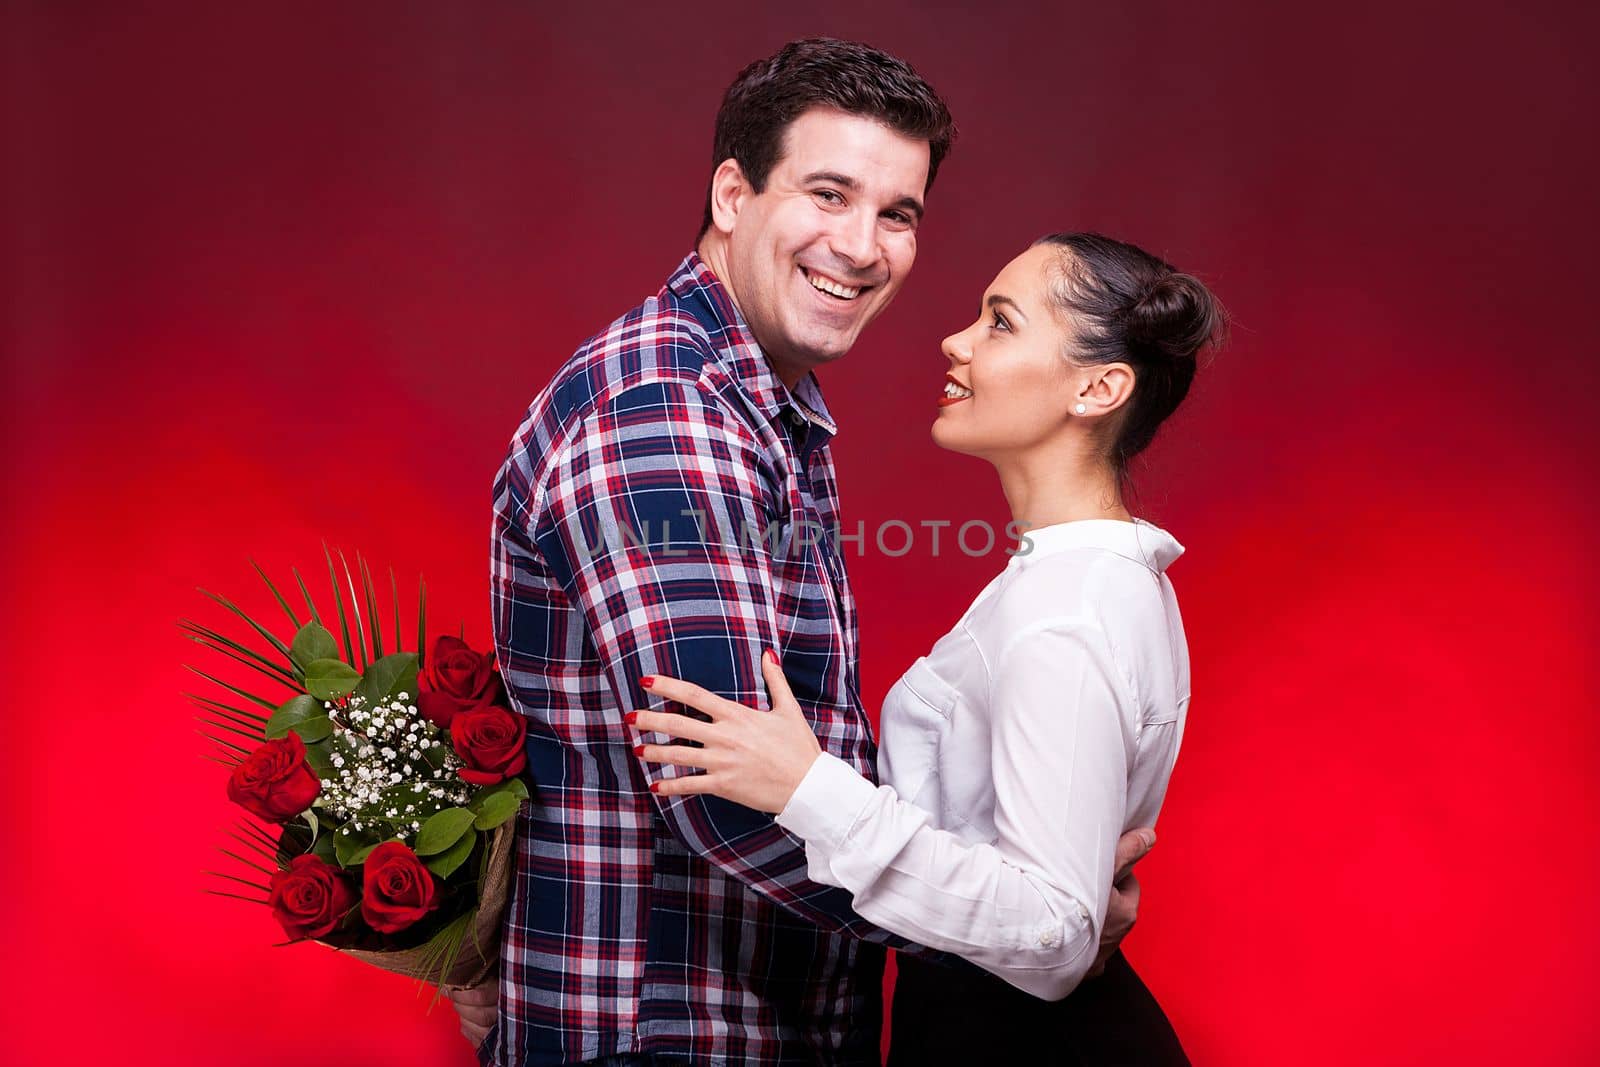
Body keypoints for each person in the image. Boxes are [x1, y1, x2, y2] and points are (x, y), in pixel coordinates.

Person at [457, 38, 1155, 1065]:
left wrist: (1027, 893)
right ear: (732, 194)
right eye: (827, 193)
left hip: (749, 1020)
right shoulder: (668, 414)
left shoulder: (756, 406)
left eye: (897, 213)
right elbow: (726, 794)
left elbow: (791, 762)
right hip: (664, 1028)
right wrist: (1016, 925)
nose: (862, 244)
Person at [628, 232, 1221, 1064]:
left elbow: (1052, 931)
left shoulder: (1069, 606)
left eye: (1002, 322)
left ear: (1098, 387)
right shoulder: (1086, 574)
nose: (957, 340)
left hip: (1025, 1040)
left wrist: (808, 788)